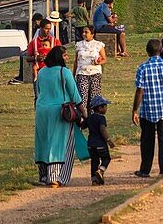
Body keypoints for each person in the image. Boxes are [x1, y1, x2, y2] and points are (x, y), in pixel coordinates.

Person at [34, 46, 88, 187]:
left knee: (44, 141)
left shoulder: (42, 72)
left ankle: (44, 176)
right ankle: (56, 177)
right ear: (59, 57)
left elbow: (38, 91)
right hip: (60, 112)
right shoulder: (65, 72)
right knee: (61, 143)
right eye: (65, 56)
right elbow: (75, 95)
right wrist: (84, 113)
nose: (67, 58)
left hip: (41, 110)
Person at [133, 38, 163, 177]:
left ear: (147, 52)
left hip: (148, 109)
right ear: (161, 50)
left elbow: (140, 90)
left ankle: (145, 170)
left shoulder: (142, 68)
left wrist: (134, 110)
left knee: (147, 141)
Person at [73, 25, 107, 115]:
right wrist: (73, 75)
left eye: (86, 32)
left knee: (94, 98)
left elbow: (104, 59)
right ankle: (82, 118)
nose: (84, 34)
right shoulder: (79, 45)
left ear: (92, 34)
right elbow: (76, 61)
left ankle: (93, 119)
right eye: (83, 32)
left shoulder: (98, 45)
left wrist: (98, 62)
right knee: (82, 97)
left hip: (95, 73)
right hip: (82, 73)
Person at [83, 95, 115, 185]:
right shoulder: (101, 118)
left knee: (94, 161)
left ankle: (94, 180)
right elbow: (102, 129)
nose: (106, 108)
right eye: (105, 106)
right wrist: (109, 140)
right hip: (100, 144)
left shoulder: (90, 118)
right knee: (106, 158)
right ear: (100, 108)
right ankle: (101, 170)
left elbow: (82, 125)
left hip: (90, 145)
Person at [27, 17, 62, 84]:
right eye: (46, 29)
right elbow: (27, 58)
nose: (48, 31)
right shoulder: (33, 43)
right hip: (39, 74)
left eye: (49, 29)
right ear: (41, 28)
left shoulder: (55, 42)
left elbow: (61, 56)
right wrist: (36, 58)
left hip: (53, 74)